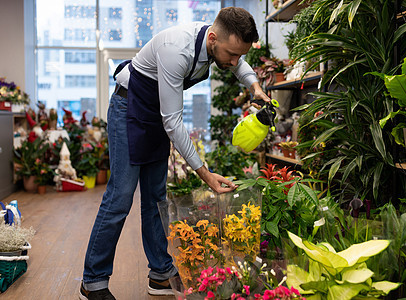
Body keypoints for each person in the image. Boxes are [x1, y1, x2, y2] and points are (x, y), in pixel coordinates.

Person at [79, 6, 270, 300]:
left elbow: (239, 65)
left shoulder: (219, 44)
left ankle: (160, 275)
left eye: (239, 55)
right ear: (213, 38)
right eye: (231, 54)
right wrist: (204, 174)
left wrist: (255, 86)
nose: (234, 61)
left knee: (156, 198)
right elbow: (173, 121)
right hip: (128, 108)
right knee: (120, 196)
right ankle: (92, 281)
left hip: (154, 114)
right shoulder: (177, 49)